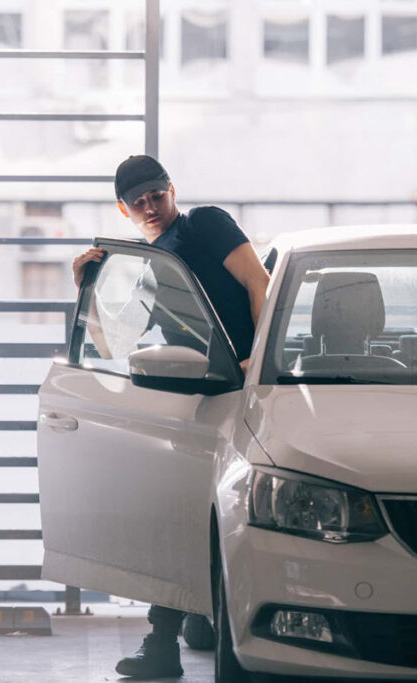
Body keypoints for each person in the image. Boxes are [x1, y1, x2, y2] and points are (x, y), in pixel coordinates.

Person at [71, 154, 270, 679]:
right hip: (202, 396)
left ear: (171, 190)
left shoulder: (206, 224)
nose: (150, 207)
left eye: (157, 196)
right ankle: (165, 642)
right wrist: (85, 289)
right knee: (180, 510)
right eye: (138, 203)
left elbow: (259, 284)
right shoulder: (145, 268)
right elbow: (112, 343)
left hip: (255, 389)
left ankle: (182, 636)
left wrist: (260, 361)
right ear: (124, 210)